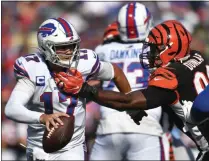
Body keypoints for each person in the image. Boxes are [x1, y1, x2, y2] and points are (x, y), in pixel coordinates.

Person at [59, 20, 209, 160]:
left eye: (156, 49)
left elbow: (129, 101)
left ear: (169, 48)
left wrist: (87, 90)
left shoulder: (170, 75)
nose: (151, 54)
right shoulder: (197, 56)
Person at [4, 17, 131, 160]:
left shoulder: (84, 62)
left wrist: (132, 105)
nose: (69, 51)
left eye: (71, 45)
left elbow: (116, 73)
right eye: (62, 47)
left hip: (73, 145)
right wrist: (42, 117)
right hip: (39, 146)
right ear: (46, 46)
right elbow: (11, 108)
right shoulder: (33, 68)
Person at [89, 3, 166, 160]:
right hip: (146, 125)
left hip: (109, 126)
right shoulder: (157, 50)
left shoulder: (102, 51)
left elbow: (93, 83)